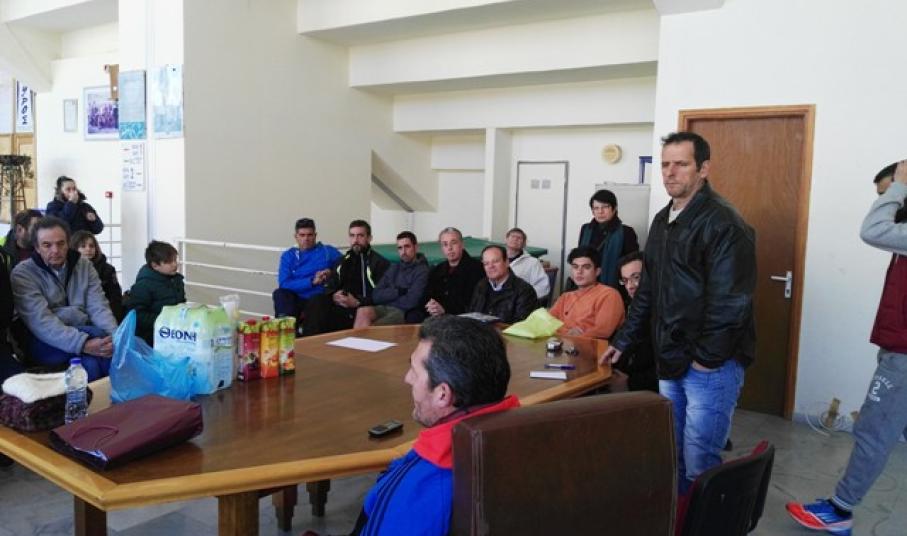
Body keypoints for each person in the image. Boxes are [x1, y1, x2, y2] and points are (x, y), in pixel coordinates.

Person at [600, 131, 756, 494]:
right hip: (671, 358)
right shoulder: (662, 220)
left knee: (701, 461)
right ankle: (682, 516)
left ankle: (705, 518)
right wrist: (623, 340)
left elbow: (732, 303)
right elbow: (648, 290)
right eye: (665, 164)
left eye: (681, 164)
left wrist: (705, 360)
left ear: (703, 169)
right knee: (675, 453)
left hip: (709, 366)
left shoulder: (724, 223)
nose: (670, 173)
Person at [786, 160, 907, 536]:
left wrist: (900, 184)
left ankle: (840, 509)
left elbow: (873, 229)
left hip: (904, 355)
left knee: (874, 430)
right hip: (898, 347)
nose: (886, 203)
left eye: (889, 195)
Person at [350, 315, 519, 535]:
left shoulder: (418, 487)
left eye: (414, 371)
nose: (407, 378)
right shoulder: (535, 441)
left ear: (442, 394)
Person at [10, 217, 117, 381]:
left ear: (68, 244)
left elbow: (99, 307)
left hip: (82, 331)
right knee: (97, 335)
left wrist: (116, 338)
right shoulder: (23, 273)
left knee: (91, 364)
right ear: (37, 248)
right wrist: (83, 343)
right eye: (47, 245)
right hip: (41, 340)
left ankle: (101, 396)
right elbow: (41, 323)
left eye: (61, 244)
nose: (55, 250)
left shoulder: (84, 266)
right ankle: (123, 390)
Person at [303, 220, 389, 335]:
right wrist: (333, 295)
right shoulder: (342, 261)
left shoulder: (380, 263)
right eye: (352, 235)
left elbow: (382, 295)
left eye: (360, 236)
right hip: (339, 305)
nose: (355, 240)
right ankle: (308, 342)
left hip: (358, 309)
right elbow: (330, 285)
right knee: (317, 300)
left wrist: (357, 302)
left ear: (369, 238)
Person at [354, 231, 429, 328]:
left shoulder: (422, 270)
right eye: (400, 248)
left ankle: (362, 337)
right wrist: (398, 291)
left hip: (403, 311)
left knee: (373, 327)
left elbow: (411, 301)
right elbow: (376, 295)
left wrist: (387, 297)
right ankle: (357, 338)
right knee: (362, 311)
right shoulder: (394, 268)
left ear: (415, 247)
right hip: (385, 307)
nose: (403, 251)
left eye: (407, 246)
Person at [272, 218, 341, 320]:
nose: (306, 239)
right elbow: (284, 283)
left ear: (315, 235)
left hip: (318, 298)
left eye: (309, 235)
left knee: (319, 300)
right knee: (280, 293)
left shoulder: (328, 251)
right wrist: (311, 282)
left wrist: (330, 272)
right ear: (296, 236)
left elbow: (344, 266)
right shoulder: (288, 256)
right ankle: (287, 326)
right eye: (302, 235)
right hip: (295, 297)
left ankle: (307, 329)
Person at [549, 246, 624, 339]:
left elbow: (602, 332)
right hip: (562, 343)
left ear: (597, 271)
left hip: (593, 346)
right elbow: (547, 322)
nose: (579, 271)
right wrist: (568, 332)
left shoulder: (609, 294)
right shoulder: (565, 297)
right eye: (575, 267)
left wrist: (575, 335)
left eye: (586, 267)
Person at [612, 251, 658, 392]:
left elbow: (668, 367)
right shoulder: (631, 308)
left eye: (636, 277)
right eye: (625, 280)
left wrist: (630, 384)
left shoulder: (664, 314)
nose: (630, 286)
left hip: (648, 391)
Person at [126, 240, 186, 346]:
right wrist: (165, 320)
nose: (175, 264)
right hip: (151, 338)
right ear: (155, 265)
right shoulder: (143, 285)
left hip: (173, 334)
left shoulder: (176, 280)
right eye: (169, 262)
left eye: (175, 260)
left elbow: (181, 303)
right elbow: (137, 315)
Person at [577, 189, 639, 288]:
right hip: (587, 286)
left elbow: (632, 266)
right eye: (596, 208)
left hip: (615, 287)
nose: (600, 211)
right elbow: (579, 258)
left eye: (605, 207)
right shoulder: (586, 229)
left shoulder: (627, 232)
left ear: (614, 208)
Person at [424, 227, 485, 319]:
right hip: (435, 317)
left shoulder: (477, 269)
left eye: (453, 243)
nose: (449, 248)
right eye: (445, 244)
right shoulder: (436, 270)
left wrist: (445, 309)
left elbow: (473, 303)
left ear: (462, 245)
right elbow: (427, 296)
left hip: (463, 320)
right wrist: (431, 305)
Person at [468, 245, 537, 323]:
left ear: (507, 262)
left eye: (495, 261)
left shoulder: (524, 291)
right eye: (486, 263)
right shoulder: (481, 285)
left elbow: (520, 326)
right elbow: (471, 314)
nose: (491, 266)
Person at [71, 230, 123, 322]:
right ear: (75, 248)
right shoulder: (69, 269)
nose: (88, 249)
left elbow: (115, 298)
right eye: (83, 246)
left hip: (104, 314)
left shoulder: (108, 269)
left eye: (91, 246)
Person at [504, 227, 550, 301]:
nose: (515, 239)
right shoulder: (496, 259)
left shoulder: (533, 262)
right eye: (512, 236)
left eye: (519, 238)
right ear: (506, 240)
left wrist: (524, 297)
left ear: (524, 243)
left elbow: (543, 287)